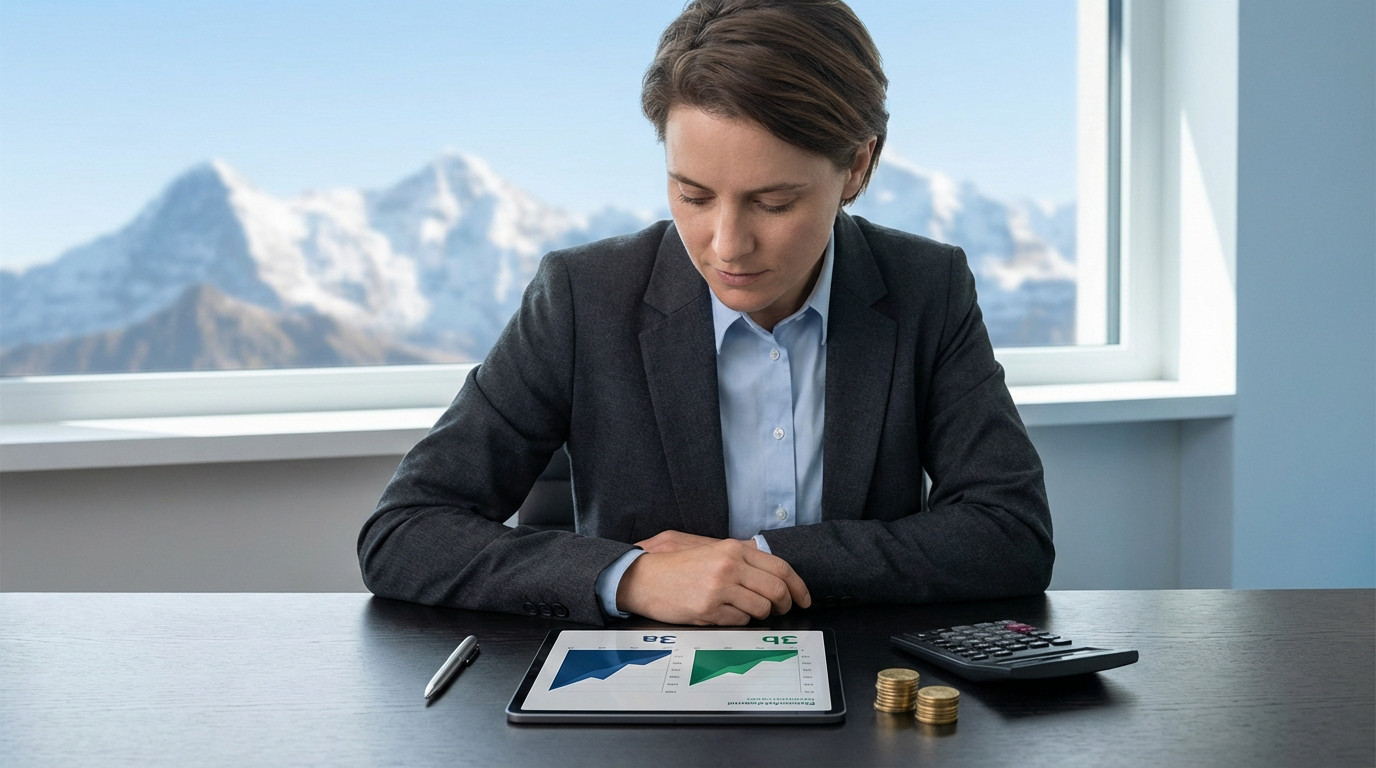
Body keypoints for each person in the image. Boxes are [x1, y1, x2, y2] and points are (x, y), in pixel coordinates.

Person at [358, 0, 1053, 627]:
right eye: (692, 195)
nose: (726, 245)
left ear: (858, 168)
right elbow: (404, 532)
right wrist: (629, 579)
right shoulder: (581, 295)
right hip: (637, 700)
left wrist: (757, 563)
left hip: (864, 697)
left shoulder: (927, 286)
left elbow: (1009, 533)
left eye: (773, 203)